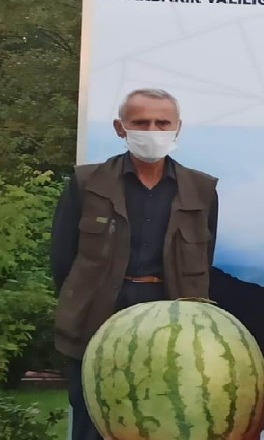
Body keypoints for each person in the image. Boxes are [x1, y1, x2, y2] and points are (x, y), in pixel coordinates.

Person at [50, 88, 219, 440]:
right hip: (98, 316)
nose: (152, 130)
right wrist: (81, 302)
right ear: (120, 127)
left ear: (177, 128)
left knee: (164, 417)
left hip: (171, 319)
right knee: (93, 418)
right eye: (141, 122)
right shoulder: (87, 183)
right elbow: (63, 259)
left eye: (162, 122)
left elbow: (205, 258)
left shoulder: (200, 190)